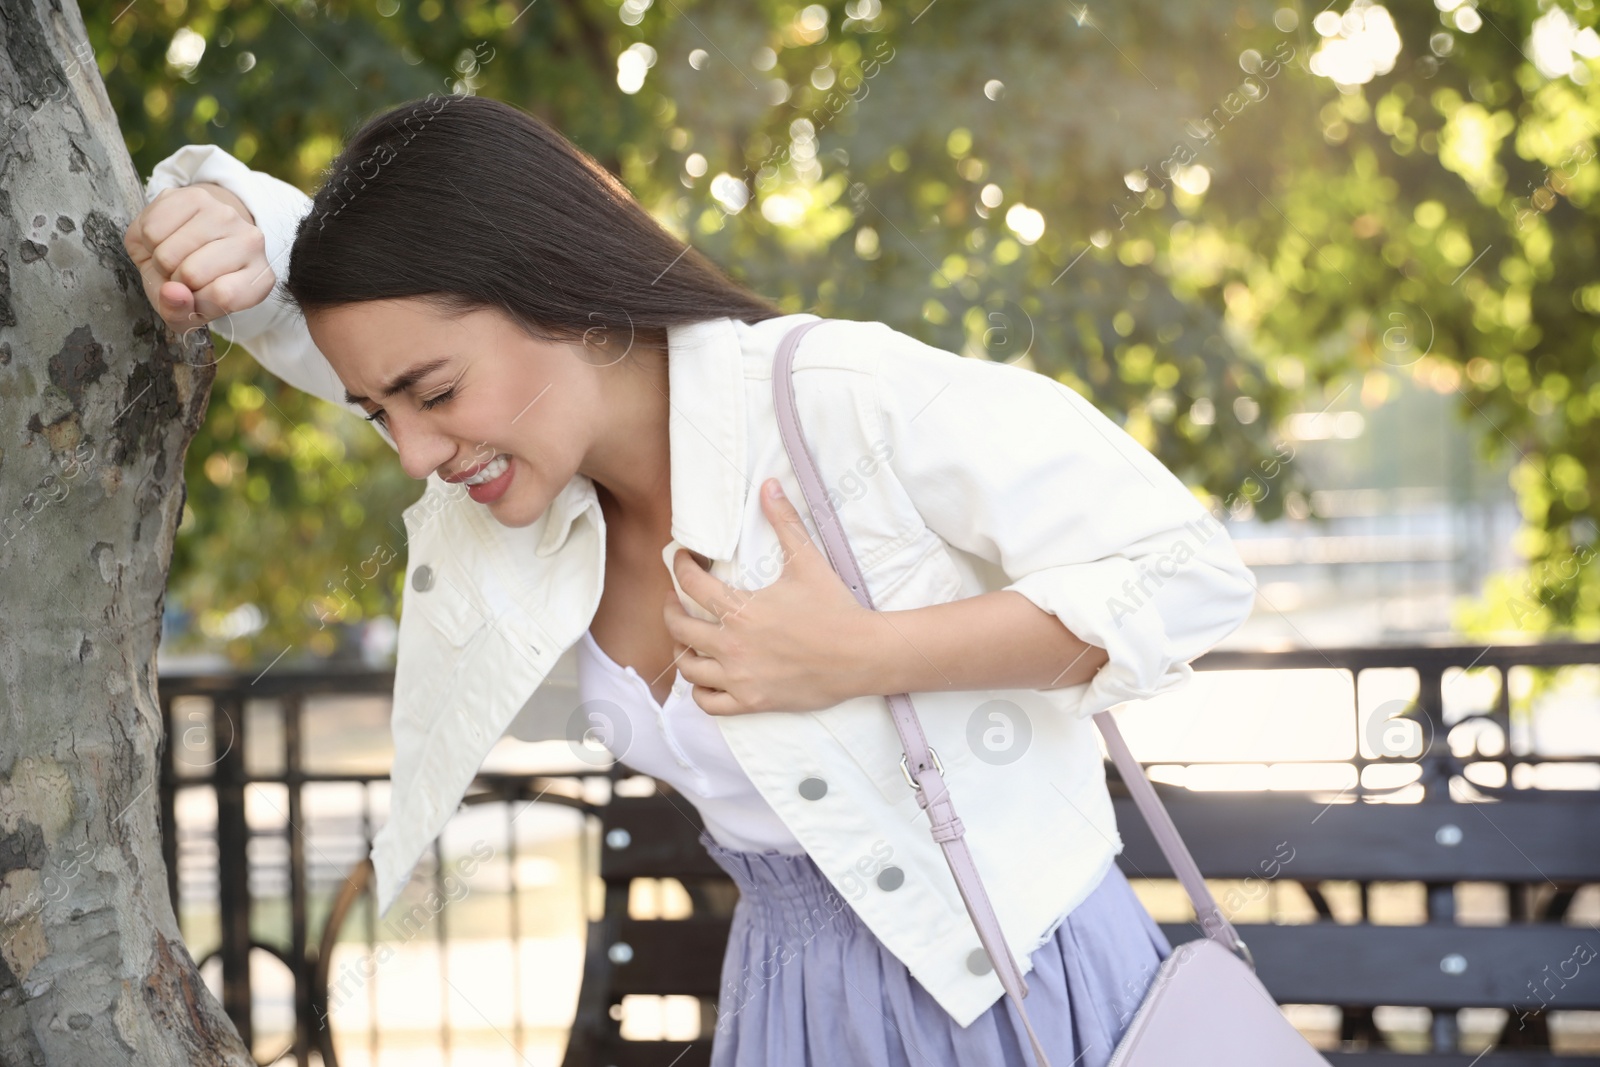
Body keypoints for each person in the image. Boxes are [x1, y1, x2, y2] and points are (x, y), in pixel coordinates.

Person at [125, 94, 1258, 1066]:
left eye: (430, 394)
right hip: (784, 992)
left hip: (1003, 983)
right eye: (380, 414)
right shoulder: (540, 492)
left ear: (556, 292)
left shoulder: (838, 398)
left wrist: (862, 656)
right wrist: (240, 220)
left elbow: (1185, 572)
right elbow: (355, 311)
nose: (415, 454)